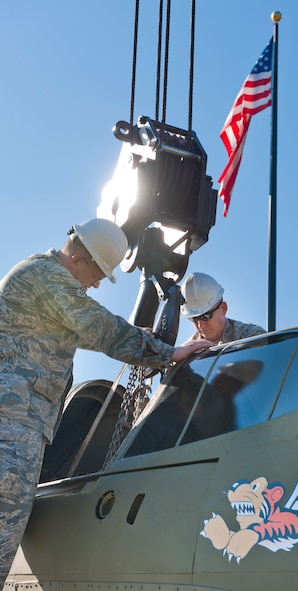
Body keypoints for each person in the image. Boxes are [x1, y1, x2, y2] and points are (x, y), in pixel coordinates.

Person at [0, 219, 213, 586]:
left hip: (20, 425)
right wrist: (169, 353)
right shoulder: (46, 276)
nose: (97, 284)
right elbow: (98, 328)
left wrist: (139, 339)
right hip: (12, 426)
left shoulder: (46, 282)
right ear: (79, 259)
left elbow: (82, 329)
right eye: (98, 273)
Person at [180, 272, 266, 344]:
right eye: (194, 319)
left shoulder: (252, 337)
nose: (200, 325)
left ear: (223, 308)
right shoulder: (186, 353)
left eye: (206, 317)